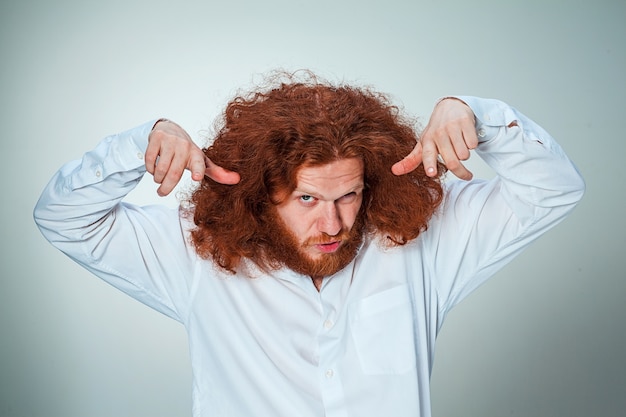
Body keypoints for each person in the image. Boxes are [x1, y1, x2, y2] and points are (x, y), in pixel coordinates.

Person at [34, 72, 585, 417]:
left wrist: (476, 117)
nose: (333, 223)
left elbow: (555, 191)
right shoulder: (195, 254)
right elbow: (62, 217)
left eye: (349, 195)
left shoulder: (422, 242)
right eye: (306, 200)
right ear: (259, 194)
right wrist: (142, 146)